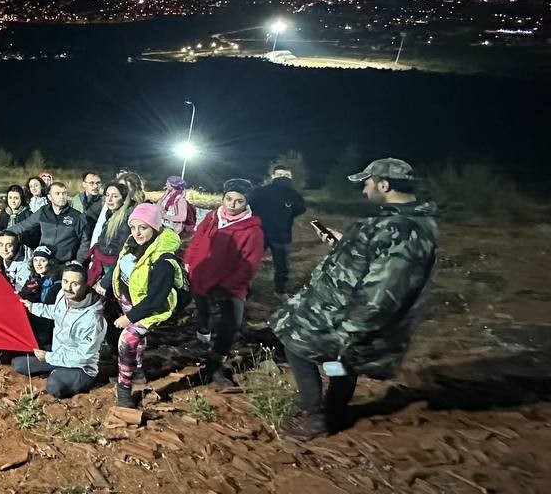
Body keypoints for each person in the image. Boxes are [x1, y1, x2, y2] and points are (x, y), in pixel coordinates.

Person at [270, 158, 438, 440]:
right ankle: (331, 410)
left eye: (367, 183)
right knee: (340, 364)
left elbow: (386, 289)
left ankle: (316, 416)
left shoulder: (405, 228)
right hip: (342, 309)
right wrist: (343, 243)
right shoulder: (396, 221)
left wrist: (350, 330)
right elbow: (374, 259)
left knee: (298, 348)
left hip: (350, 316)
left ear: (383, 184)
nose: (364, 190)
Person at [183, 179, 264, 387]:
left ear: (246, 202)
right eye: (228, 199)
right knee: (202, 309)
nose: (232, 204)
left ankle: (216, 363)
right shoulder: (212, 217)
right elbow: (197, 240)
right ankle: (202, 340)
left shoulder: (252, 230)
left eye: (238, 201)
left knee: (230, 324)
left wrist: (227, 286)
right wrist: (189, 262)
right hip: (202, 275)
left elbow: (248, 264)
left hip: (230, 286)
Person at [107, 203, 188, 408]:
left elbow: (155, 299)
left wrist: (130, 317)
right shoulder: (133, 242)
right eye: (133, 227)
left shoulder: (163, 260)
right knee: (138, 340)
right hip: (130, 301)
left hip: (150, 309)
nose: (137, 233)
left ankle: (123, 387)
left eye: (142, 227)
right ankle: (138, 371)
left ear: (155, 227)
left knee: (127, 340)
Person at [14, 263, 106, 399]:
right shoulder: (63, 294)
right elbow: (57, 312)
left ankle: (67, 376)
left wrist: (49, 357)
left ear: (85, 285)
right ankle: (58, 371)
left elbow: (83, 357)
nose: (68, 288)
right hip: (58, 353)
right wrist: (32, 307)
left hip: (81, 367)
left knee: (54, 386)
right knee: (18, 364)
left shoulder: (93, 319)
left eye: (75, 284)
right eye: (65, 281)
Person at [248, 165, 308, 294]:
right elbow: (249, 207)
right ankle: (242, 289)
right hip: (260, 234)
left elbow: (301, 208)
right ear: (273, 176)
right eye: (280, 175)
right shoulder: (260, 191)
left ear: (290, 177)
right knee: (250, 262)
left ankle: (280, 290)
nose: (283, 178)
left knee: (281, 266)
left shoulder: (294, 195)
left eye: (286, 175)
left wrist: (286, 216)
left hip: (281, 236)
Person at [0, 181, 91, 264]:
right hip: (44, 261)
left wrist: (79, 260)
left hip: (64, 263)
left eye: (64, 193)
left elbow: (86, 241)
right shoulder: (43, 212)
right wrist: (1, 234)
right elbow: (24, 225)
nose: (61, 196)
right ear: (49, 197)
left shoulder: (77, 216)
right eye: (57, 193)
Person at [86, 183, 135, 291]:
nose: (110, 199)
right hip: (101, 264)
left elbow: (122, 256)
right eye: (107, 195)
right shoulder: (111, 214)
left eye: (115, 196)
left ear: (124, 199)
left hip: (110, 270)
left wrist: (105, 283)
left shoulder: (125, 222)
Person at [19, 247, 62, 349]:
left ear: (50, 262)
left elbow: (49, 303)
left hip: (48, 326)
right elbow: (24, 293)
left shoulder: (56, 281)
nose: (38, 264)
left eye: (42, 260)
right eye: (35, 260)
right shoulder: (34, 278)